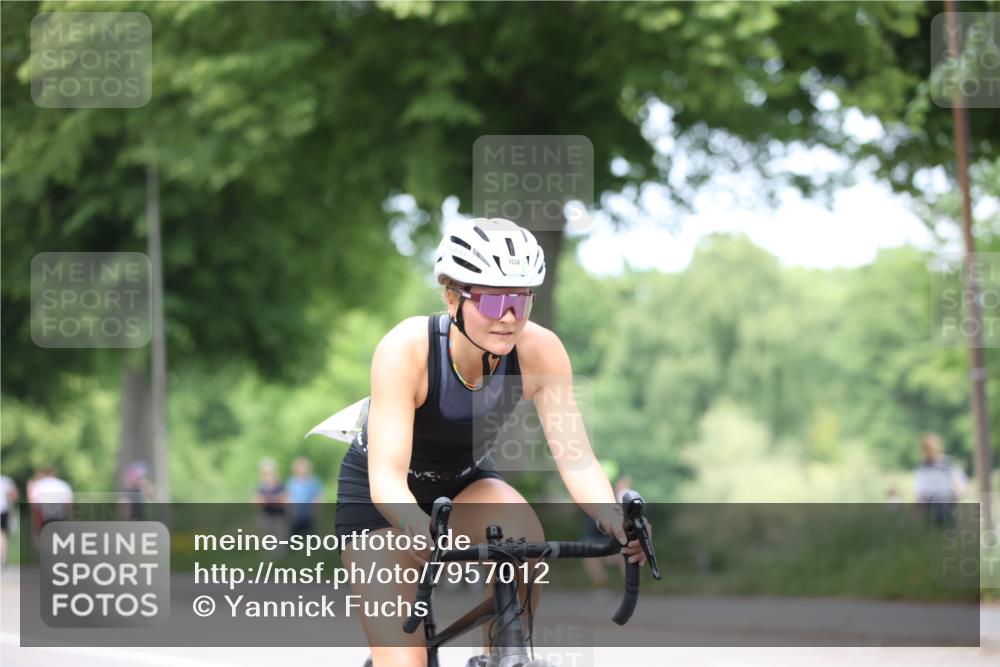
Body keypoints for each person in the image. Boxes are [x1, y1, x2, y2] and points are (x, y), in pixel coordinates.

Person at [333, 218, 648, 667]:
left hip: (465, 483)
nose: (508, 317)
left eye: (521, 303)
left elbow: (576, 460)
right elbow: (385, 476)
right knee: (405, 663)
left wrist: (610, 517)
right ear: (451, 296)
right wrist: (415, 525)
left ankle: (503, 654)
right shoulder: (407, 349)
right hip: (381, 500)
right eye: (493, 300)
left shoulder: (541, 351)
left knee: (523, 539)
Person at [581, 469, 632, 594]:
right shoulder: (588, 495)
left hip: (617, 537)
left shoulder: (624, 498)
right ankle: (600, 586)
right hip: (593, 537)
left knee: (628, 552)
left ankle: (632, 587)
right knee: (588, 553)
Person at [914, 432, 968, 526]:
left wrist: (956, 495)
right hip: (929, 507)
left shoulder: (948, 464)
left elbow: (961, 484)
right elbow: (920, 491)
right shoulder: (923, 467)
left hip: (946, 503)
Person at [27, 466, 73, 538]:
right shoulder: (63, 484)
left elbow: (33, 502)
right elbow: (69, 503)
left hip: (43, 512)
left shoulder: (38, 485)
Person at [286, 457, 323, 536]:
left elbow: (318, 496)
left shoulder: (314, 481)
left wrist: (316, 508)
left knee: (311, 534)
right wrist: (290, 508)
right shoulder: (291, 481)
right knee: (294, 534)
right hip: (296, 511)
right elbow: (288, 496)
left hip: (309, 510)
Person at [254, 457, 288, 541]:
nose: (268, 476)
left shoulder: (280, 485)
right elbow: (255, 502)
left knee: (280, 540)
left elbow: (286, 500)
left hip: (279, 516)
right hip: (265, 516)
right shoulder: (260, 486)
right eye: (266, 473)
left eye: (270, 473)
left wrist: (276, 500)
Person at [0, 472, 18, 567]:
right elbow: (14, 496)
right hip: (3, 510)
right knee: (3, 534)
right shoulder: (6, 481)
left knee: (2, 534)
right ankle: (3, 556)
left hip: (3, 510)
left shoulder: (6, 481)